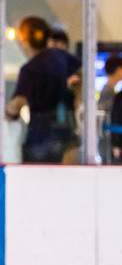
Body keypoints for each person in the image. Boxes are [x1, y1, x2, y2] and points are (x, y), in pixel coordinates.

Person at [5, 16, 82, 163]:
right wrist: (77, 96)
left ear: (24, 41)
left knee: (39, 182)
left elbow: (18, 103)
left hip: (40, 137)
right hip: (68, 129)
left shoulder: (29, 69)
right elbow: (81, 71)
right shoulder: (60, 56)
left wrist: (8, 114)